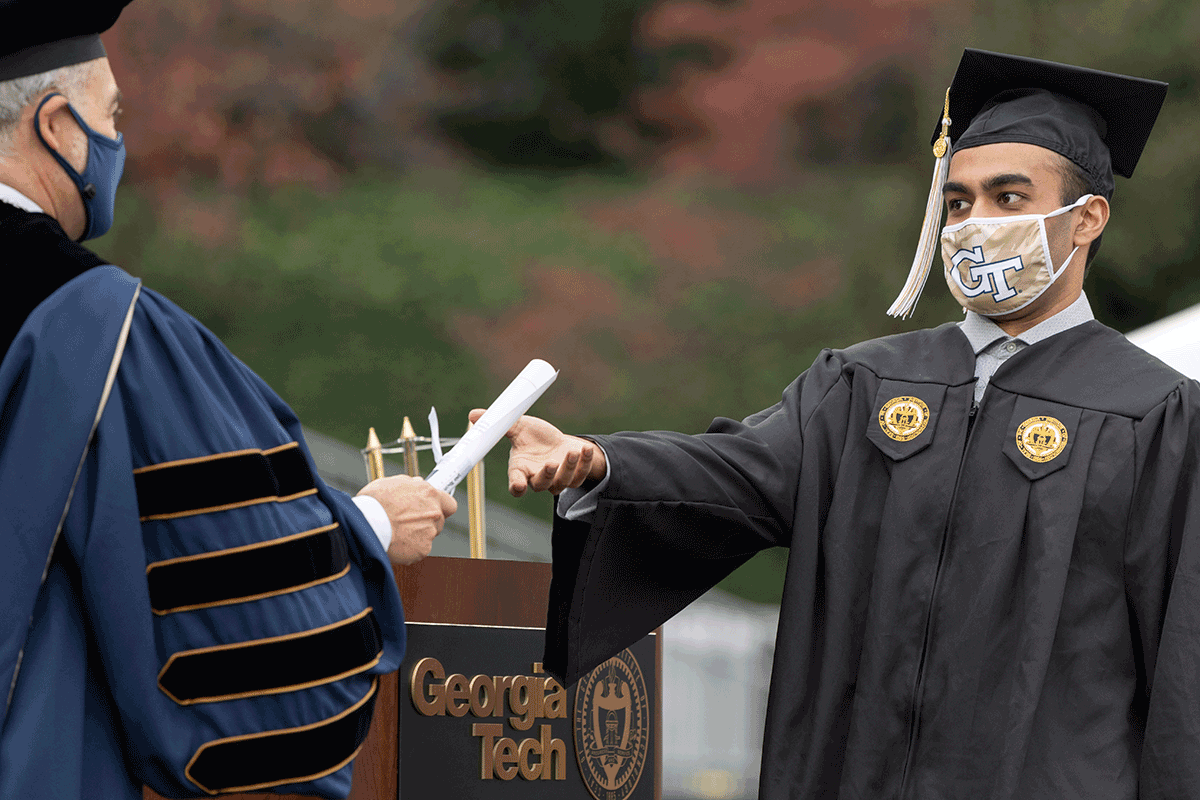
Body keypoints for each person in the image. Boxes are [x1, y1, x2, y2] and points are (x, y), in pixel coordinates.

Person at [483, 50, 1200, 798]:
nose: (975, 225)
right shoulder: (863, 385)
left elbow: (1184, 663)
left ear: (1086, 218)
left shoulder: (1157, 416)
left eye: (1009, 198)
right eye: (957, 203)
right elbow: (740, 471)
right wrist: (601, 460)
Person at [0, 2, 457, 798]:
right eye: (110, 117)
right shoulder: (91, 332)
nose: (117, 143)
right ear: (55, 126)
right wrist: (372, 527)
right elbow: (234, 616)